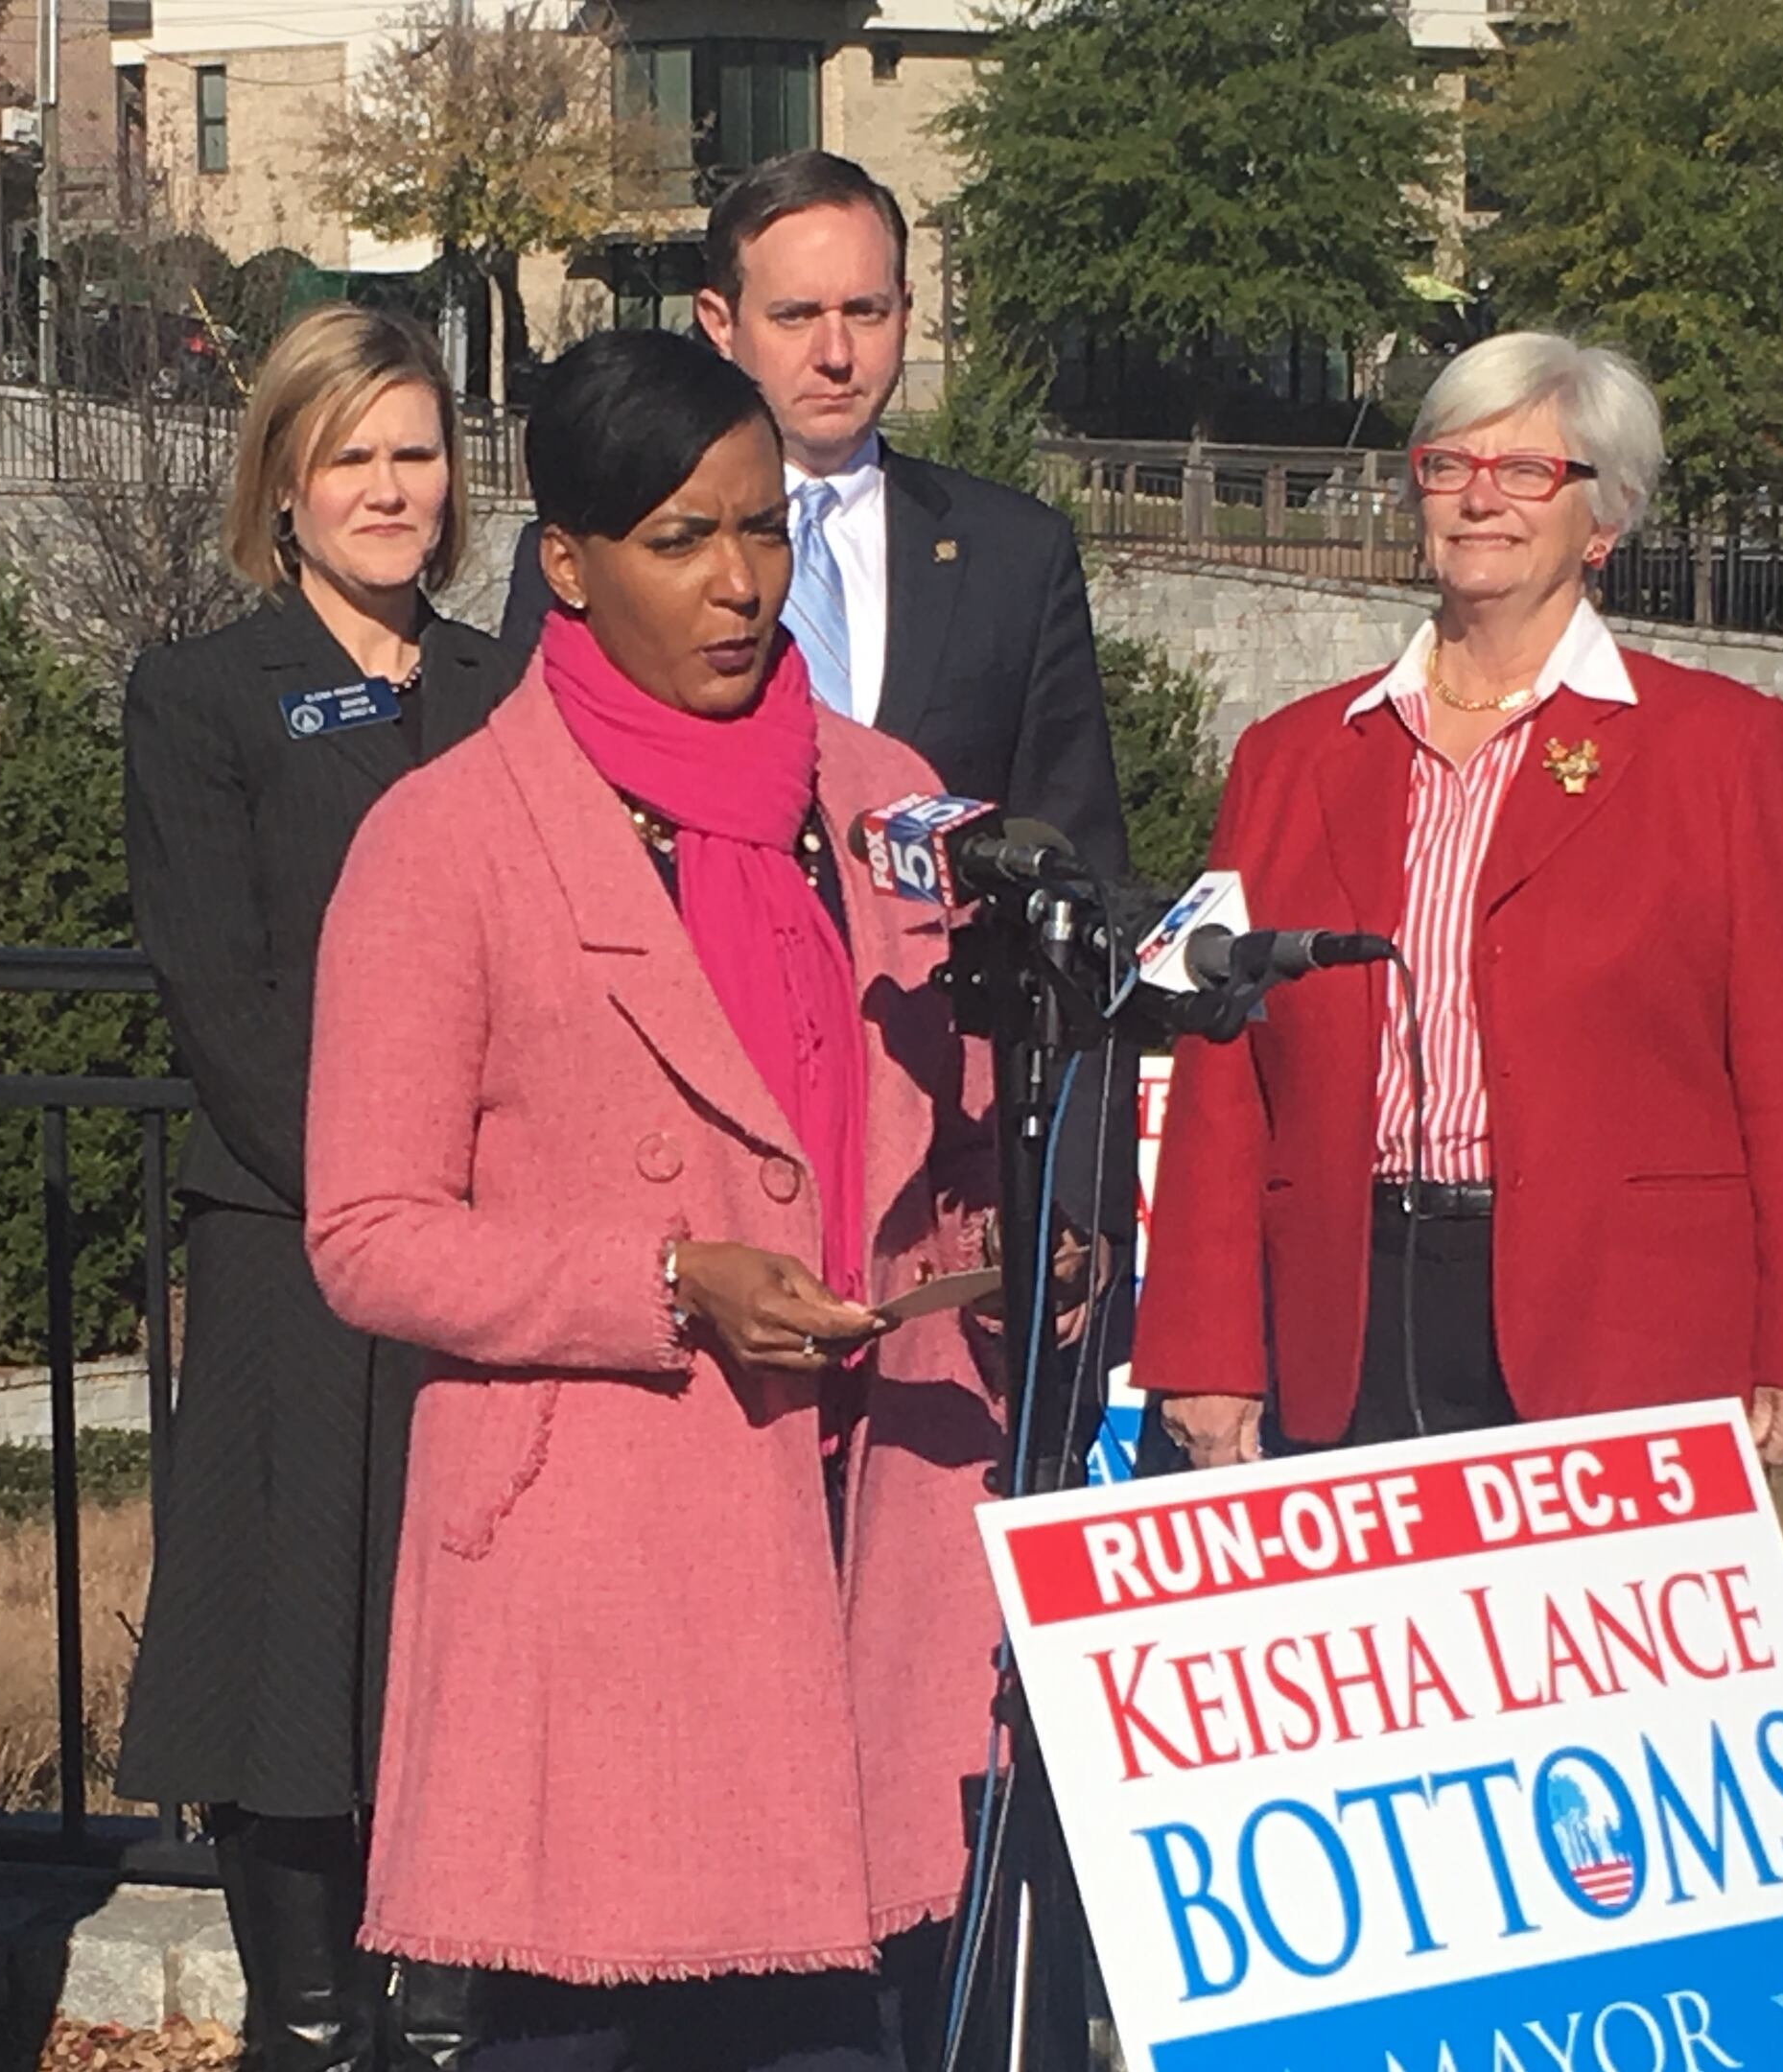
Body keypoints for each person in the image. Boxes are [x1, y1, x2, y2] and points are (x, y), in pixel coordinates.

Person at [306, 328, 1011, 2069]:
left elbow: (955, 1129)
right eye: (681, 540)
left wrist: (1012, 1249)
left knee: (844, 2020)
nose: (740, 583)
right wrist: (667, 1278)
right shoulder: (448, 837)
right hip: (606, 1538)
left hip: (875, 1507)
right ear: (568, 563)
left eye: (765, 532)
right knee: (590, 2022)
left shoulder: (880, 796)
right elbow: (367, 1232)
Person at [1137, 332, 1783, 1470]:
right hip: (1346, 1316)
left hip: (1625, 1330)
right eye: (1450, 468)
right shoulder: (1288, 758)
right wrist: (1202, 1344)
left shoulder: (1723, 749)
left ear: (1606, 520)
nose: (1482, 500)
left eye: (1527, 472)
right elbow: (1223, 1076)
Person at [110, 303, 506, 2072]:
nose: (388, 489)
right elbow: (226, 993)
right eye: (349, 455)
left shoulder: (522, 684)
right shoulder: (205, 695)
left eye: (414, 452)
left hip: (502, 1255)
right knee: (294, 1653)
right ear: (281, 482)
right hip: (303, 1245)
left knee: (468, 1643)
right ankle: (311, 2014)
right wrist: (387, 1202)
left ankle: (453, 2000)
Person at [500, 151, 1123, 877]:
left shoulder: (1014, 555)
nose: (835, 354)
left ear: (906, 313)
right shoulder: (607, 555)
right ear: (719, 323)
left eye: (865, 312)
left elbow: (1075, 851)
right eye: (795, 317)